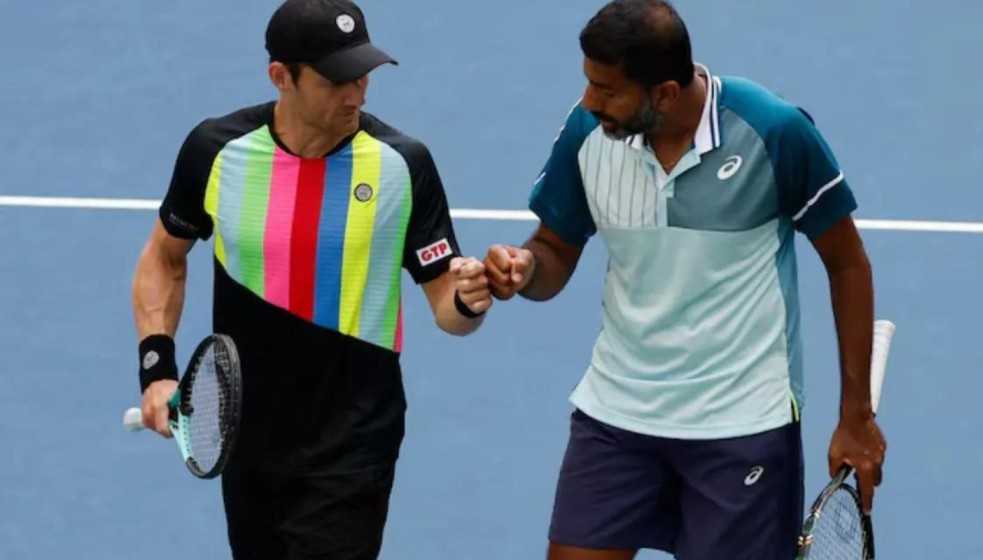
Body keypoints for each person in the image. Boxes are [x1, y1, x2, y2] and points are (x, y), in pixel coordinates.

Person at [484, 1, 886, 558]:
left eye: (607, 89)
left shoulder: (773, 131)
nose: (589, 101)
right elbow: (554, 248)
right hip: (618, 412)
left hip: (741, 422)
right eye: (588, 84)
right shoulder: (587, 133)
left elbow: (847, 261)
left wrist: (856, 418)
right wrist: (524, 270)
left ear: (665, 94)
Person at [130, 1, 491, 558]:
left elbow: (447, 304)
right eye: (337, 80)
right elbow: (163, 257)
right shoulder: (216, 151)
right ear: (282, 77)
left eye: (363, 75)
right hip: (246, 430)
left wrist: (468, 299)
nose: (357, 93)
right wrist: (156, 369)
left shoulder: (403, 164)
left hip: (352, 440)